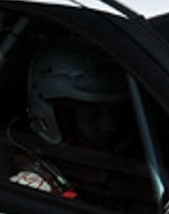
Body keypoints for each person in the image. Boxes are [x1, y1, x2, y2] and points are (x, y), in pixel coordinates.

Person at [7, 38, 134, 200]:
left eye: (114, 112)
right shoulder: (32, 194)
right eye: (92, 116)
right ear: (54, 120)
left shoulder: (125, 165)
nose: (109, 125)